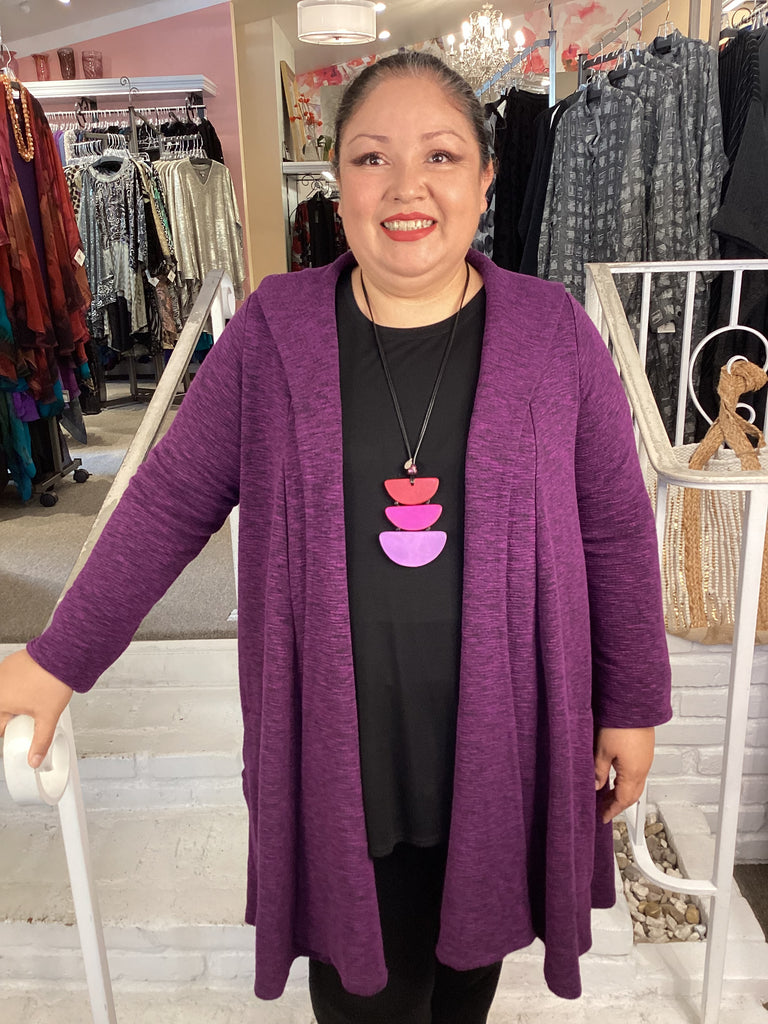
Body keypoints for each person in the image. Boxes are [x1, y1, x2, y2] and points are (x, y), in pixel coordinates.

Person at [0, 52, 672, 1024]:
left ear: (487, 178)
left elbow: (615, 531)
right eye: (371, 158)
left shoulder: (555, 334)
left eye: (441, 155)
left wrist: (632, 705)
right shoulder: (275, 333)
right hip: (338, 752)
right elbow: (169, 501)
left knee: (467, 979)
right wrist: (58, 658)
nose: (406, 187)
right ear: (337, 180)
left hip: (503, 743)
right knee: (361, 994)